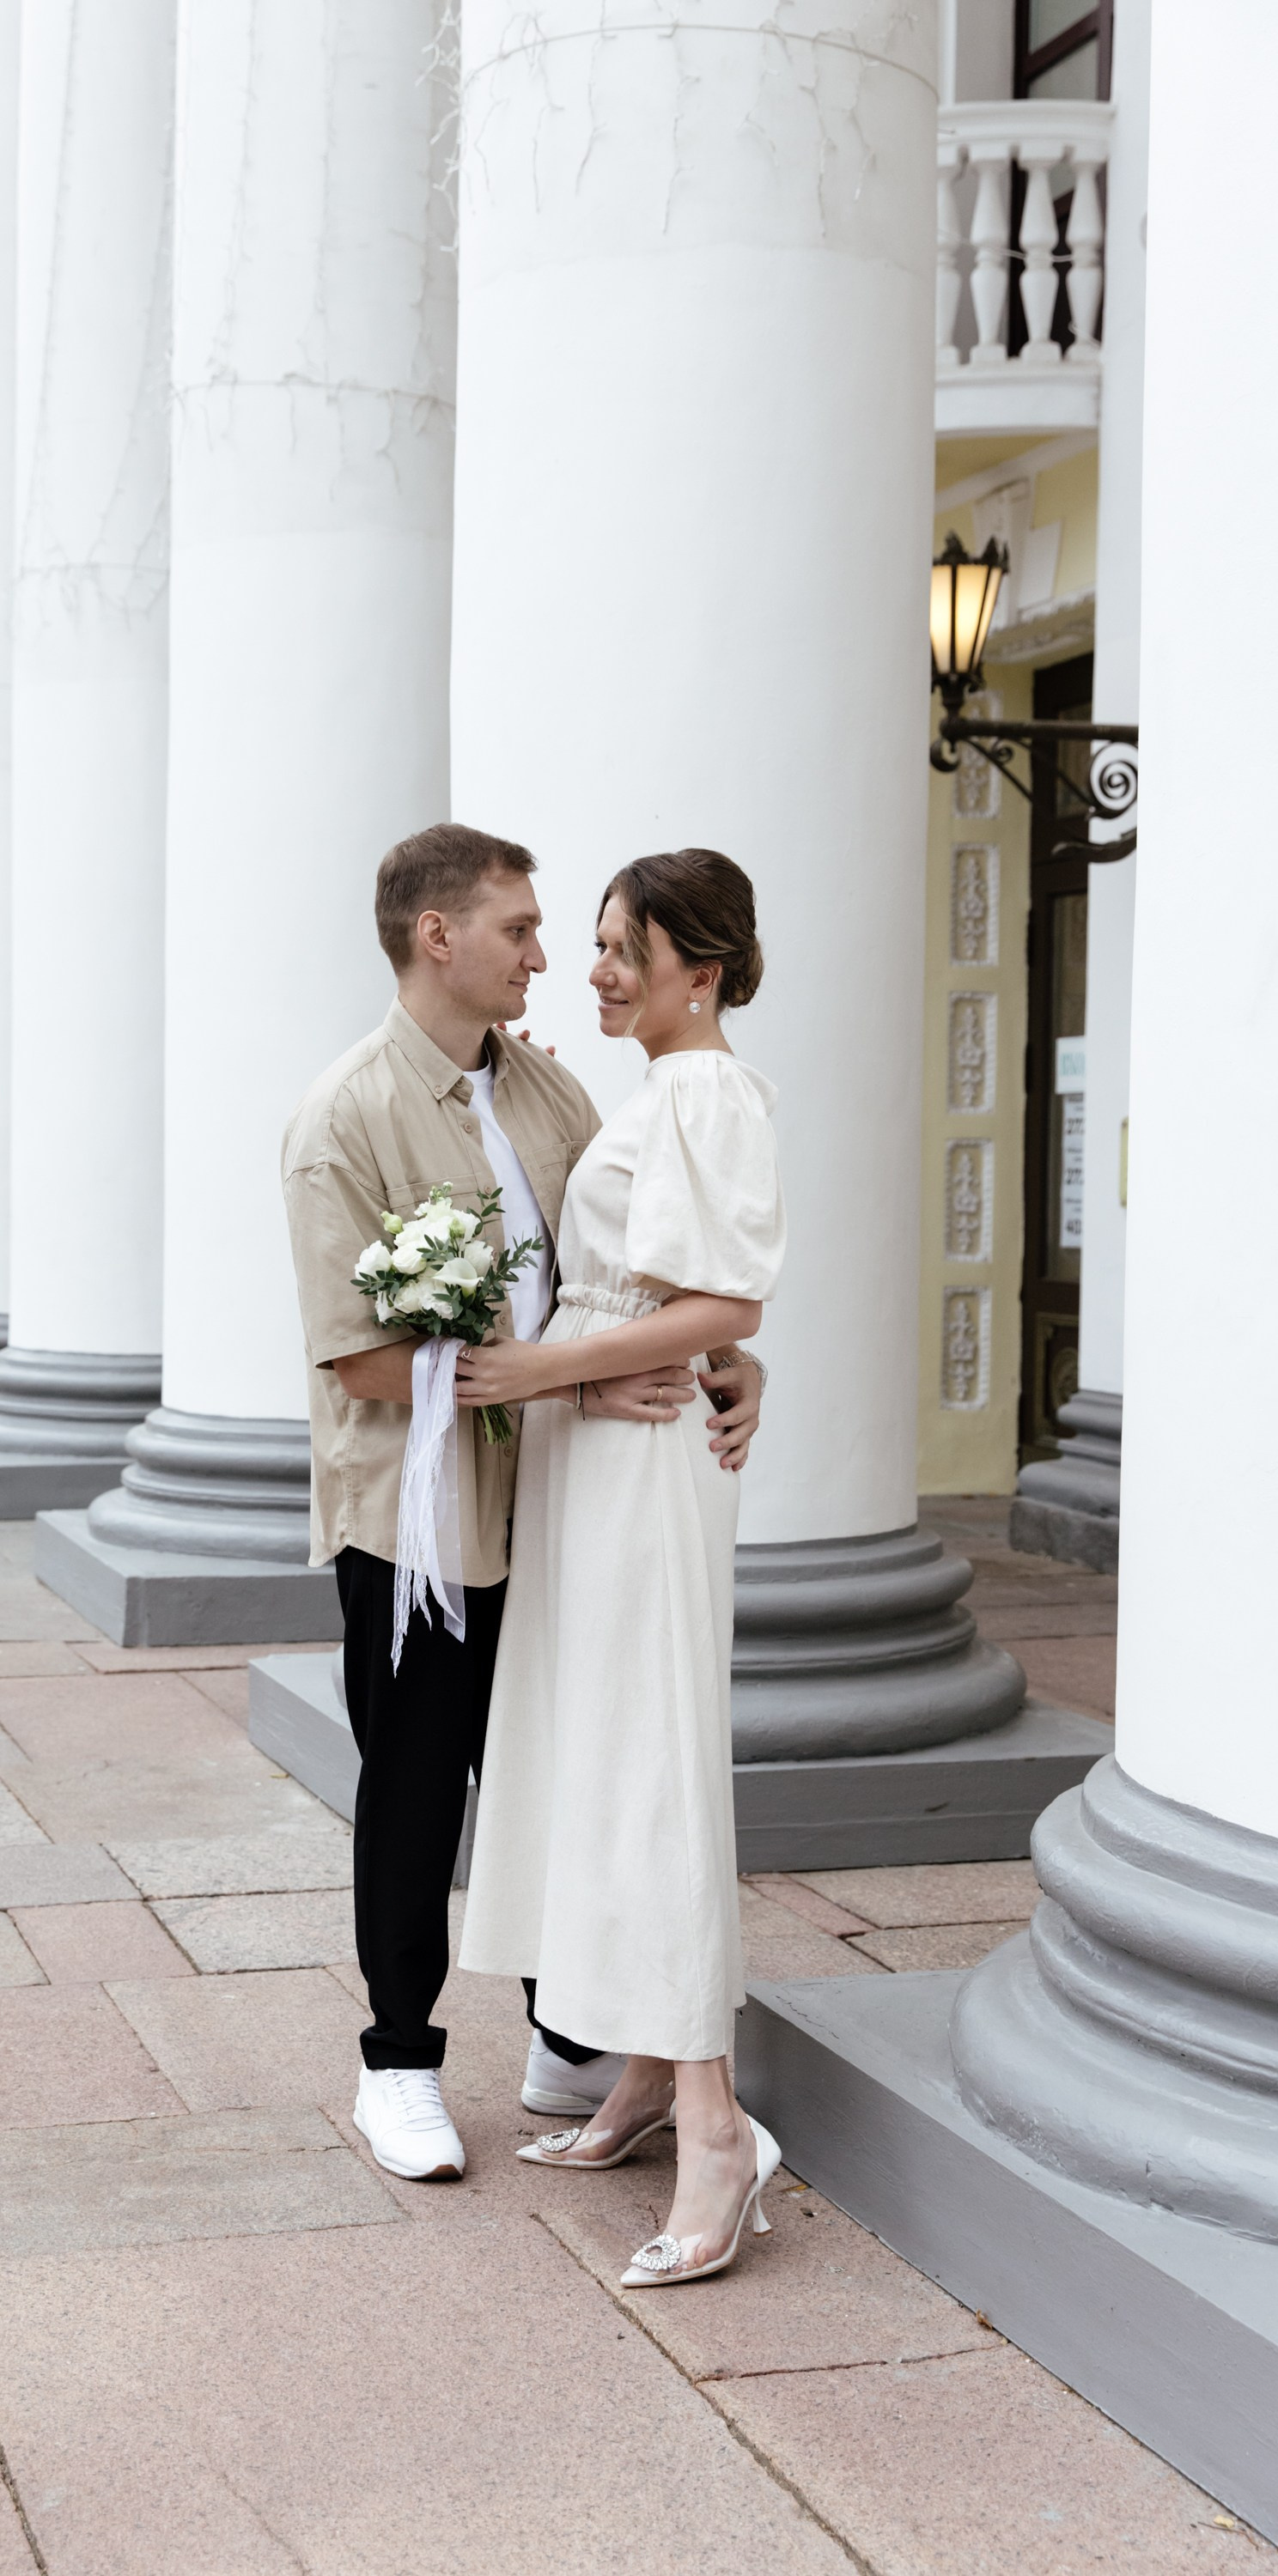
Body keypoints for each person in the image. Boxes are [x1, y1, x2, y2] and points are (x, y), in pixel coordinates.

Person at [281, 823, 765, 2182]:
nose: (547, 957)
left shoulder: (555, 1100)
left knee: (556, 1761)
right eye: (520, 931)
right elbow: (359, 1355)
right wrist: (552, 1387)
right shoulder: (343, 1118)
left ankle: (572, 2028)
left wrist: (730, 1354)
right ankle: (401, 2065)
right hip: (421, 1519)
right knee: (418, 1786)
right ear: (440, 937)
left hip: (561, 1505)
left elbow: (638, 1274)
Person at [457, 848, 787, 2282]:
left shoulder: (710, 1090)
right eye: (587, 944)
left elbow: (724, 1293)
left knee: (649, 1765)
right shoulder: (660, 1092)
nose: (593, 971)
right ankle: (648, 2073)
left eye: (620, 952)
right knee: (604, 1754)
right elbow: (690, 1308)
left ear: (697, 972)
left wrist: (548, 1365)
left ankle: (717, 2123)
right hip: (602, 1455)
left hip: (644, 1465)